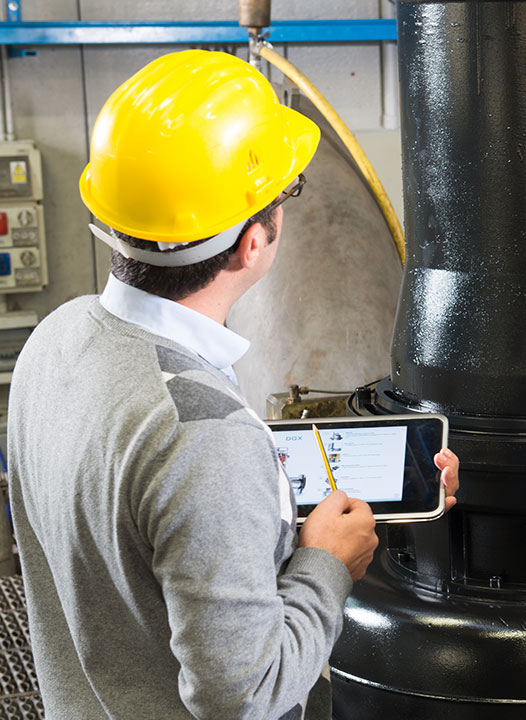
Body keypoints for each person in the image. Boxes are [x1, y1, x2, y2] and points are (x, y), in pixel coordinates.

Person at [8, 50, 459, 719]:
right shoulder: (205, 439)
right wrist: (326, 568)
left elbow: (153, 527)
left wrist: (275, 512)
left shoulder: (55, 338)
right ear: (254, 242)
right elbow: (241, 696)